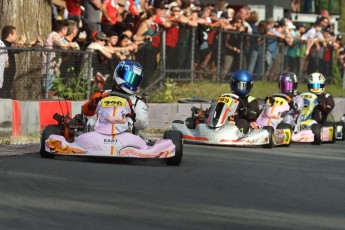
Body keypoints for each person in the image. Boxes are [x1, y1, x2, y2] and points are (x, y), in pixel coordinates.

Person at [82, 60, 148, 133]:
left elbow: (143, 124)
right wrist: (93, 104)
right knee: (91, 122)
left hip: (126, 141)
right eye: (129, 77)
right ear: (119, 73)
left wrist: (134, 116)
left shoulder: (137, 102)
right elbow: (85, 112)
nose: (131, 81)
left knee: (129, 122)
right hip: (101, 136)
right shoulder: (102, 95)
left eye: (135, 79)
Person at [229, 69, 260, 134]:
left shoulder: (251, 100)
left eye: (243, 86)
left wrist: (246, 111)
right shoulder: (229, 97)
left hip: (243, 123)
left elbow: (255, 114)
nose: (241, 88)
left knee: (242, 122)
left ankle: (238, 135)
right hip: (227, 121)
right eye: (239, 85)